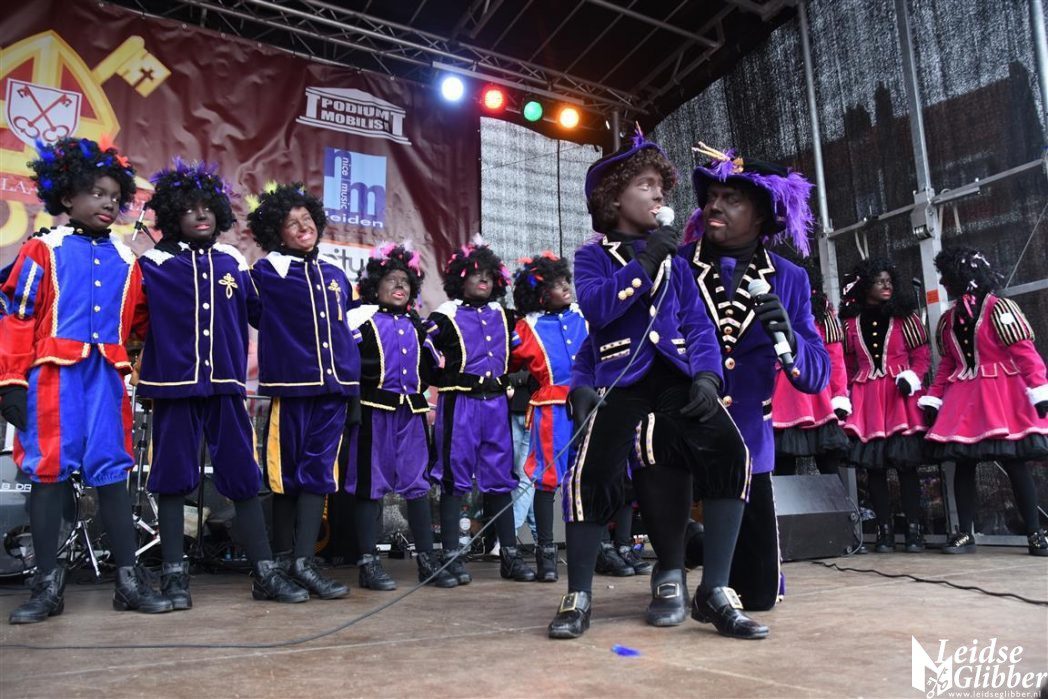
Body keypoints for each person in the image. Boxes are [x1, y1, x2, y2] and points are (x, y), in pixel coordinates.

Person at [548, 131, 763, 641]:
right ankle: (578, 595)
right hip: (621, 379)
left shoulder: (679, 263)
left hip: (675, 376)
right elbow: (598, 309)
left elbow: (699, 327)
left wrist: (708, 375)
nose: (658, 194)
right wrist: (645, 264)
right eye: (645, 185)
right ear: (614, 199)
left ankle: (714, 589)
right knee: (591, 472)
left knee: (730, 451)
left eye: (660, 187)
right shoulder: (592, 257)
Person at [1, 137, 172, 623]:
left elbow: (140, 324)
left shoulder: (127, 259)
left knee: (112, 474)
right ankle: (46, 586)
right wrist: (10, 381)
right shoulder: (42, 249)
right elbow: (17, 316)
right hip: (52, 379)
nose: (108, 202)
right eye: (96, 193)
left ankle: (128, 581)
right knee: (49, 474)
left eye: (115, 196)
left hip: (107, 382)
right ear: (67, 196)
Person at [139, 161, 306, 607]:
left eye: (208, 207)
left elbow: (262, 313)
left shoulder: (231, 260)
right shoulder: (153, 263)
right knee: (172, 479)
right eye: (188, 208)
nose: (201, 215)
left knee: (243, 476)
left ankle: (264, 572)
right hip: (173, 387)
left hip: (227, 387)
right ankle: (174, 575)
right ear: (171, 214)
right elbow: (133, 320)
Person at [678, 143, 830, 612]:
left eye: (732, 199)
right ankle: (681, 544)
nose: (715, 206)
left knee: (759, 597)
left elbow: (816, 374)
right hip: (680, 433)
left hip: (748, 442)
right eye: (712, 196)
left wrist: (789, 334)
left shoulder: (790, 278)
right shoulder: (677, 264)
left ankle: (701, 545)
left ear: (762, 214)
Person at [248, 183, 360, 600]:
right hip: (292, 391)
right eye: (291, 222)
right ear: (276, 233)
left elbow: (347, 331)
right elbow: (253, 315)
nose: (302, 227)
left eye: (307, 219)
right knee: (284, 476)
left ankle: (304, 562)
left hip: (334, 392)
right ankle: (280, 563)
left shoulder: (335, 275)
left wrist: (351, 392)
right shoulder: (265, 273)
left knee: (318, 474)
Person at [918, 247, 1047, 556]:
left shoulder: (999, 308)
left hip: (1001, 396)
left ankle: (1035, 533)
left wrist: (1040, 389)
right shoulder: (948, 320)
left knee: (1015, 463)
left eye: (947, 276)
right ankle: (965, 532)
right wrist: (934, 397)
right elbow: (948, 364)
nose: (943, 282)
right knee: (964, 465)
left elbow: (1024, 353)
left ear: (963, 275)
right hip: (964, 397)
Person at [346, 243, 457, 588]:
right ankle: (368, 564)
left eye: (406, 281)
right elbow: (346, 367)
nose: (400, 285)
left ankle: (427, 561)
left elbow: (432, 370)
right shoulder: (360, 320)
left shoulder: (417, 326)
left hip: (411, 416)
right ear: (375, 285)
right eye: (392, 280)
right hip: (372, 414)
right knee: (369, 486)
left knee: (417, 485)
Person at [429, 240, 536, 584]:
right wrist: (440, 379)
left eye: (489, 274)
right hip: (459, 405)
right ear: (460, 278)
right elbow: (421, 350)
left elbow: (525, 354)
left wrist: (521, 379)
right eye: (476, 274)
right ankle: (449, 557)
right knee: (454, 477)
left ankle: (509, 555)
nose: (483, 279)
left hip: (496, 407)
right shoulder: (445, 315)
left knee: (500, 479)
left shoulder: (505, 317)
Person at [838, 258, 930, 553]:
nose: (886, 285)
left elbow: (922, 356)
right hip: (867, 399)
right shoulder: (849, 324)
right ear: (866, 285)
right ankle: (884, 530)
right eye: (880, 281)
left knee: (906, 466)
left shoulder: (906, 317)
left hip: (899, 396)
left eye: (889, 280)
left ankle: (914, 530)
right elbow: (847, 363)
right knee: (874, 468)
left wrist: (913, 377)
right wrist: (844, 393)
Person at [508, 252, 588, 582]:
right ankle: (546, 554)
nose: (566, 286)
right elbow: (508, 364)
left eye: (566, 280)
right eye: (556, 284)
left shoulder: (584, 316)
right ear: (541, 293)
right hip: (551, 409)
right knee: (547, 478)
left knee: (589, 476)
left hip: (589, 404)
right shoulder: (526, 327)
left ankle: (598, 549)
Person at [771, 255, 851, 478]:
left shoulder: (823, 314)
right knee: (783, 466)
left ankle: (837, 502)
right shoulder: (772, 306)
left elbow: (835, 358)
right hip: (781, 394)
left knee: (828, 466)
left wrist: (839, 394)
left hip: (815, 396)